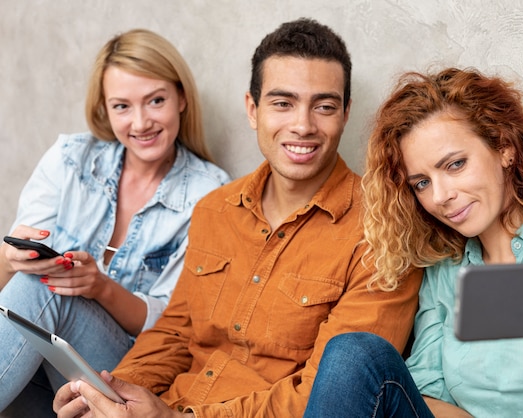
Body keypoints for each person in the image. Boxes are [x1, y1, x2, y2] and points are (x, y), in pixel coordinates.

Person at [53, 18, 421, 418]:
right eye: (282, 103)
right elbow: (175, 334)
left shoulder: (382, 227)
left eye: (325, 106)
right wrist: (110, 396)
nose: (302, 125)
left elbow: (332, 394)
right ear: (253, 109)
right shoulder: (215, 209)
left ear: (345, 114)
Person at [303, 68, 523, 417]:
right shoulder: (446, 271)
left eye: (455, 164)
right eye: (422, 183)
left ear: (504, 148)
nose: (440, 196)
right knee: (354, 354)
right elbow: (424, 396)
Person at [0, 28, 230, 416]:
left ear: (182, 98)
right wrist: (10, 259)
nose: (141, 123)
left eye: (155, 100)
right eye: (122, 106)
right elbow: (9, 291)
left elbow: (175, 326)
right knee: (28, 286)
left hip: (129, 368)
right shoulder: (70, 158)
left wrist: (100, 288)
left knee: (42, 289)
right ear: (105, 110)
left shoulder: (210, 194)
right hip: (51, 367)